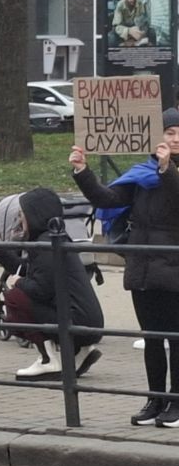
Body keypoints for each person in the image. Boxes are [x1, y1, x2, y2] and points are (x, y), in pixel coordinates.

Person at [70, 114, 179, 426]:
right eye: (168, 132)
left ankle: (176, 402)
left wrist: (167, 169)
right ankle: (155, 400)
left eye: (178, 133)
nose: (173, 139)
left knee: (176, 338)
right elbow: (109, 198)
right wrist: (83, 171)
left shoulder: (166, 172)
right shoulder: (144, 174)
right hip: (143, 268)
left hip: (174, 268)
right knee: (153, 338)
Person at [0, 187, 104, 381]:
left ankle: (47, 359)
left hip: (77, 320)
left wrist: (18, 282)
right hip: (87, 320)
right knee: (22, 291)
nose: (20, 219)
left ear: (34, 215)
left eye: (22, 214)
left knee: (15, 297)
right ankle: (79, 350)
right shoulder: (55, 239)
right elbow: (30, 271)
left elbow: (40, 290)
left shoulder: (46, 246)